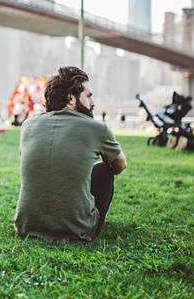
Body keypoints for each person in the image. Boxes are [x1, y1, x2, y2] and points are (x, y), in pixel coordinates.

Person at [14, 66, 128, 242]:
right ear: (71, 98)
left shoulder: (28, 125)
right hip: (77, 230)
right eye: (88, 96)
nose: (93, 103)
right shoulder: (97, 128)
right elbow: (120, 165)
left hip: (26, 226)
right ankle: (83, 220)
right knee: (104, 170)